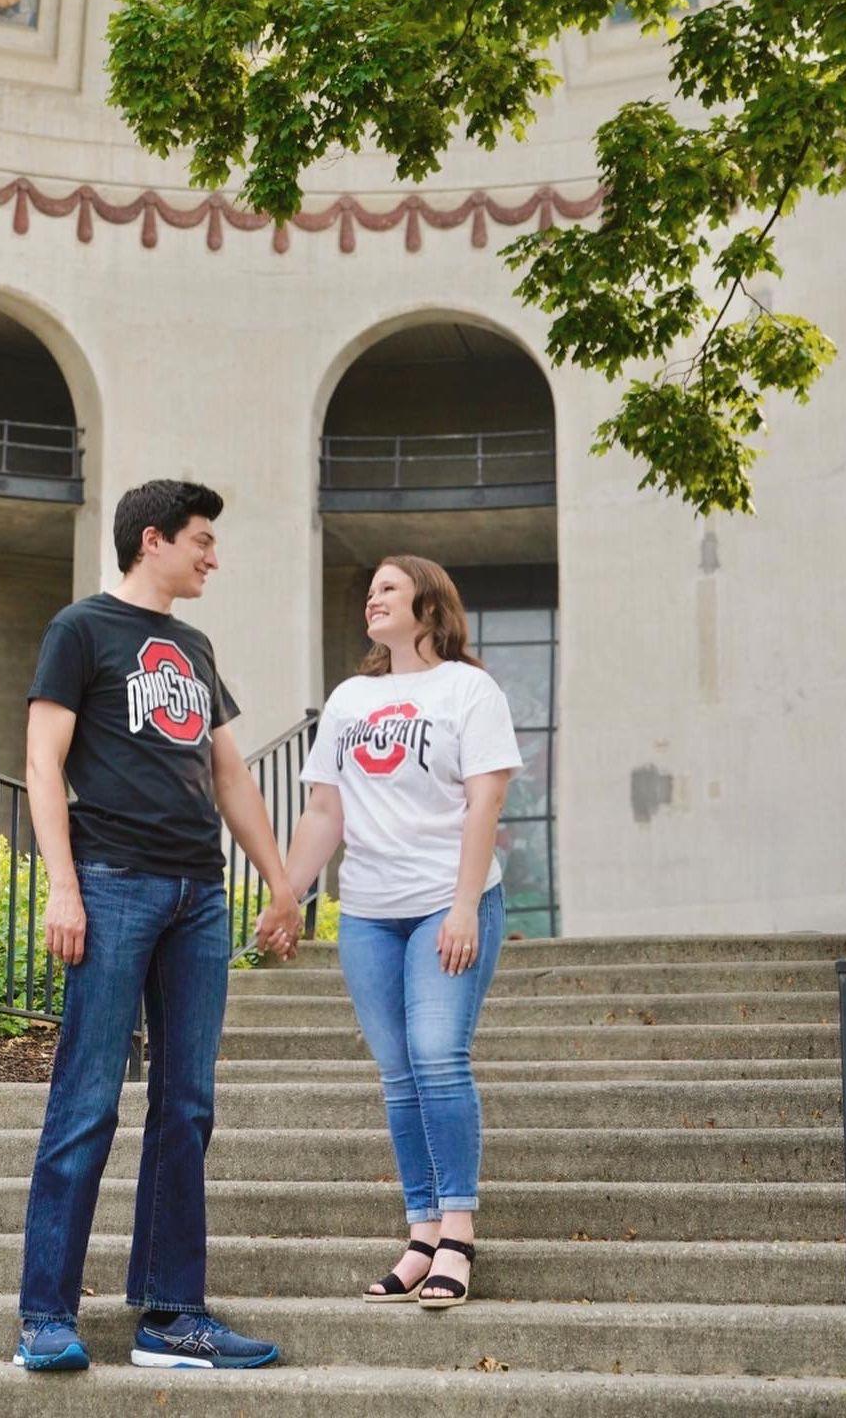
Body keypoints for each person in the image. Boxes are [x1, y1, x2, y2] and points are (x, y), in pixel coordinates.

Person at [12, 479, 301, 1372]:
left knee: (187, 1106)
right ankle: (44, 1318)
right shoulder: (81, 630)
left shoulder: (195, 645)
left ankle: (172, 1316)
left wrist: (281, 884)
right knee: (87, 1101)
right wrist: (64, 887)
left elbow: (231, 779)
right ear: (152, 540)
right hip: (113, 884)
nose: (213, 556)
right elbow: (40, 760)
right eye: (201, 540)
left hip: (196, 897)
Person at [257, 555, 520, 1310]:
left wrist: (466, 905)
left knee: (438, 1058)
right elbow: (323, 814)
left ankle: (459, 1232)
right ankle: (421, 1232)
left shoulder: (471, 689)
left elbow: (484, 804)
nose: (372, 598)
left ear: (429, 608)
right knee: (399, 1075)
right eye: (369, 589)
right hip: (369, 911)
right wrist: (287, 896)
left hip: (448, 897)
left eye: (390, 589)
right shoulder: (349, 698)